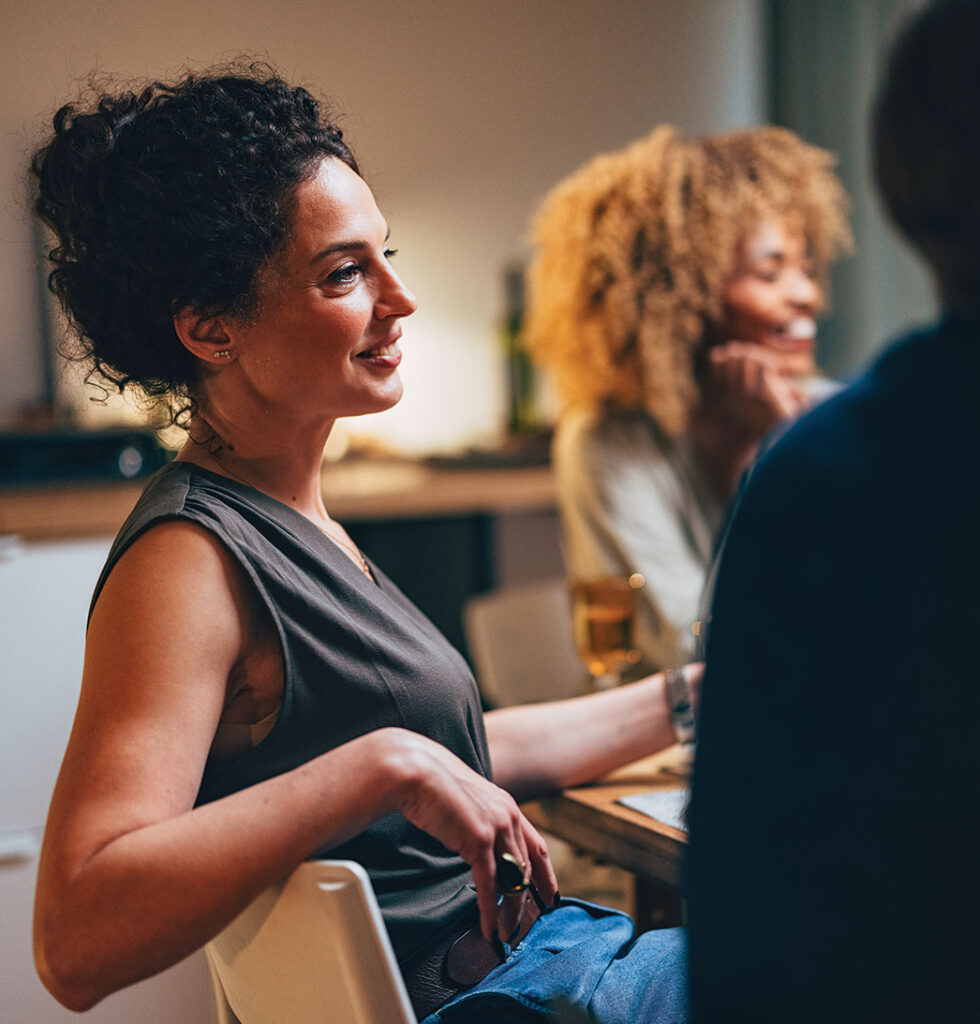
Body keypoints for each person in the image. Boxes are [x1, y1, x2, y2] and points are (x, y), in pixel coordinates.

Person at [29, 65, 697, 1024]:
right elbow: (74, 937)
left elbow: (444, 752)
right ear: (209, 328)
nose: (403, 297)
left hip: (544, 965)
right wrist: (383, 765)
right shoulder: (189, 559)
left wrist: (683, 700)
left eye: (387, 254)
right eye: (345, 272)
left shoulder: (295, 516)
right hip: (513, 994)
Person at [686, 1, 980, 1020]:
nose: (803, 295)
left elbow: (745, 922)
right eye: (769, 269)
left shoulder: (827, 467)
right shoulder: (801, 459)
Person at [524, 127, 851, 676]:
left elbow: (873, 617)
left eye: (806, 268)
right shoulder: (609, 443)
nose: (808, 294)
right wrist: (755, 460)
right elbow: (695, 656)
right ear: (679, 295)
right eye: (770, 272)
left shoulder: (830, 414)